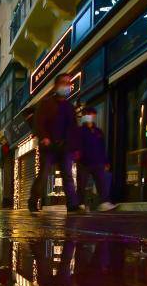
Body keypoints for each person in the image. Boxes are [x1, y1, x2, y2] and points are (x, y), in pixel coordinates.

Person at [29, 73, 80, 213]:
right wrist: (44, 137)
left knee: (68, 176)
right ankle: (33, 202)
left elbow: (74, 128)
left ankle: (72, 205)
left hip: (66, 146)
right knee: (44, 175)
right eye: (63, 82)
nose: (67, 86)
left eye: (69, 83)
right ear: (56, 85)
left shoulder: (70, 107)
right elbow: (38, 122)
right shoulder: (46, 103)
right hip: (49, 145)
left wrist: (75, 148)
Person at [77, 106, 117, 212]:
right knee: (82, 184)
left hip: (98, 162)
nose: (91, 117)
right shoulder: (80, 131)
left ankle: (104, 202)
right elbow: (77, 146)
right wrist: (78, 156)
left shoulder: (98, 131)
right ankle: (80, 204)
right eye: (89, 115)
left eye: (93, 115)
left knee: (102, 182)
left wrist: (106, 161)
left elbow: (102, 147)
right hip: (83, 162)